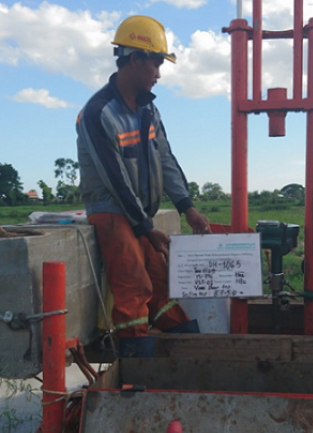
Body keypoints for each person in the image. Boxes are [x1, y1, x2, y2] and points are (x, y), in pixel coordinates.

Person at [76, 15, 211, 357]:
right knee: (134, 282)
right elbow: (116, 180)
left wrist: (187, 207)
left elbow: (165, 158)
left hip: (141, 214)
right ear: (135, 60)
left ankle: (183, 345)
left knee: (160, 278)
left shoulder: (150, 111)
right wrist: (146, 228)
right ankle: (137, 364)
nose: (159, 74)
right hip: (112, 210)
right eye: (155, 64)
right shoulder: (97, 113)